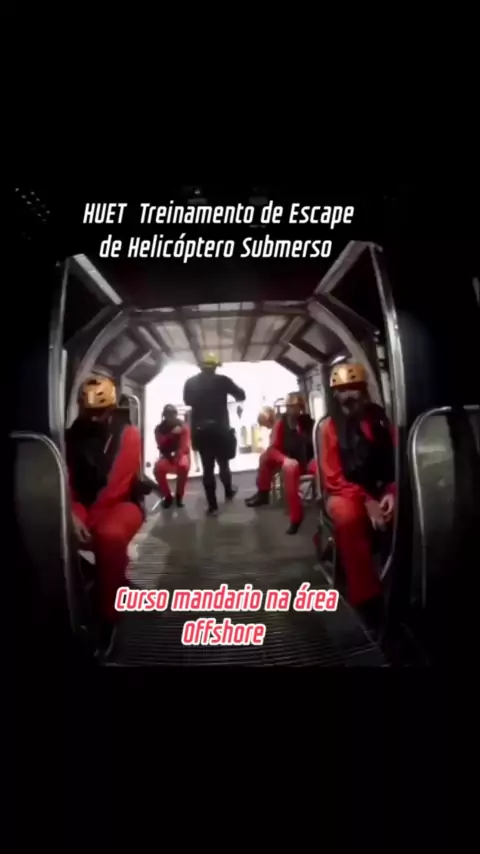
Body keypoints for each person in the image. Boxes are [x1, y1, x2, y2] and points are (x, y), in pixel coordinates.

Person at [66, 375, 144, 648]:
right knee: (57, 526)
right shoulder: (69, 437)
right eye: (88, 411)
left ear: (111, 409)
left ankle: (110, 616)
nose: (93, 418)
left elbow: (116, 483)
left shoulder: (127, 434)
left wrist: (88, 521)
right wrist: (70, 513)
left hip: (120, 504)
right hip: (81, 506)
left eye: (99, 412)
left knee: (108, 535)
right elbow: (64, 479)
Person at [319, 361, 395, 629]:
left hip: (381, 488)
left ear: (364, 391)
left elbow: (396, 459)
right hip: (346, 491)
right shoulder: (330, 427)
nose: (347, 395)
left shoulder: (381, 421)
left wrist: (392, 491)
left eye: (353, 388)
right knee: (348, 517)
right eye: (341, 390)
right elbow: (333, 478)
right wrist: (366, 499)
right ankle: (366, 597)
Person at [183, 352, 246, 515]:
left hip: (201, 431)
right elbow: (241, 395)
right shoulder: (223, 381)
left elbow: (187, 401)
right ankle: (228, 492)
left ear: (200, 366)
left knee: (207, 468)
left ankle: (213, 507)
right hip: (220, 430)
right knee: (223, 464)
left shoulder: (190, 383)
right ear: (215, 367)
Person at [245, 393, 316, 534]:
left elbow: (316, 444)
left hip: (308, 461)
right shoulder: (281, 423)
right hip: (288, 461)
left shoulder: (309, 423)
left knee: (322, 468)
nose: (292, 410)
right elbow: (273, 449)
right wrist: (285, 459)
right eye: (289, 407)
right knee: (279, 464)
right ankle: (295, 517)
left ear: (301, 408)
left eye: (296, 407)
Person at [153, 404, 191, 508]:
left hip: (180, 455)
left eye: (172, 414)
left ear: (176, 414)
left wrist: (177, 456)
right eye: (168, 414)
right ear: (164, 416)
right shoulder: (159, 429)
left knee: (183, 467)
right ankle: (167, 497)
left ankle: (179, 496)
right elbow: (161, 444)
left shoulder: (183, 426)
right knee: (157, 469)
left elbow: (185, 446)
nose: (170, 416)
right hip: (166, 456)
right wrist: (172, 434)